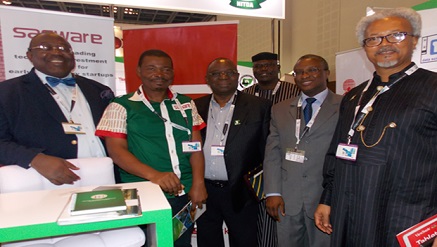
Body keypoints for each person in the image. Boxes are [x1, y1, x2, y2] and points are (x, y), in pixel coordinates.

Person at [314, 7, 437, 247]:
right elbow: (336, 152)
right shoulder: (354, 96)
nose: (384, 44)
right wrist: (327, 198)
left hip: (407, 215)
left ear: (414, 40)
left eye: (396, 35)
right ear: (365, 47)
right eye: (373, 39)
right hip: (349, 210)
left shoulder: (432, 88)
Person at [95, 49, 207, 247]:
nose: (159, 74)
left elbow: (195, 147)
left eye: (165, 69)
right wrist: (155, 175)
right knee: (146, 243)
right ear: (139, 71)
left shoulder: (187, 104)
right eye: (151, 68)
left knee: (181, 243)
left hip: (184, 192)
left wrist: (198, 183)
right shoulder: (121, 105)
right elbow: (116, 151)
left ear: (172, 73)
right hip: (143, 194)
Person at [0, 32, 113, 185]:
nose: (56, 52)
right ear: (30, 55)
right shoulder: (7, 92)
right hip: (45, 182)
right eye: (45, 47)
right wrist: (34, 159)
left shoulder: (98, 90)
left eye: (64, 48)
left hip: (104, 177)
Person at [264, 54, 341, 247]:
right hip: (287, 200)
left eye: (312, 70)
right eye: (298, 72)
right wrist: (272, 192)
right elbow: (272, 154)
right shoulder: (280, 109)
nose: (304, 75)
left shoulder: (344, 106)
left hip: (325, 199)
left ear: (327, 73)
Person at [194, 58, 272, 247]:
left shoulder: (260, 106)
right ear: (207, 79)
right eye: (216, 73)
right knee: (207, 240)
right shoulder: (194, 106)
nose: (223, 77)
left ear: (237, 77)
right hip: (204, 190)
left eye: (229, 72)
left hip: (241, 190)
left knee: (245, 241)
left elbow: (267, 150)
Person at [244, 52, 302, 247]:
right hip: (253, 166)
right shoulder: (247, 95)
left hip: (286, 162)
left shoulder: (295, 91)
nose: (264, 69)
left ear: (278, 67)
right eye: (258, 66)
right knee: (259, 216)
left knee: (284, 211)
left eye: (268, 65)